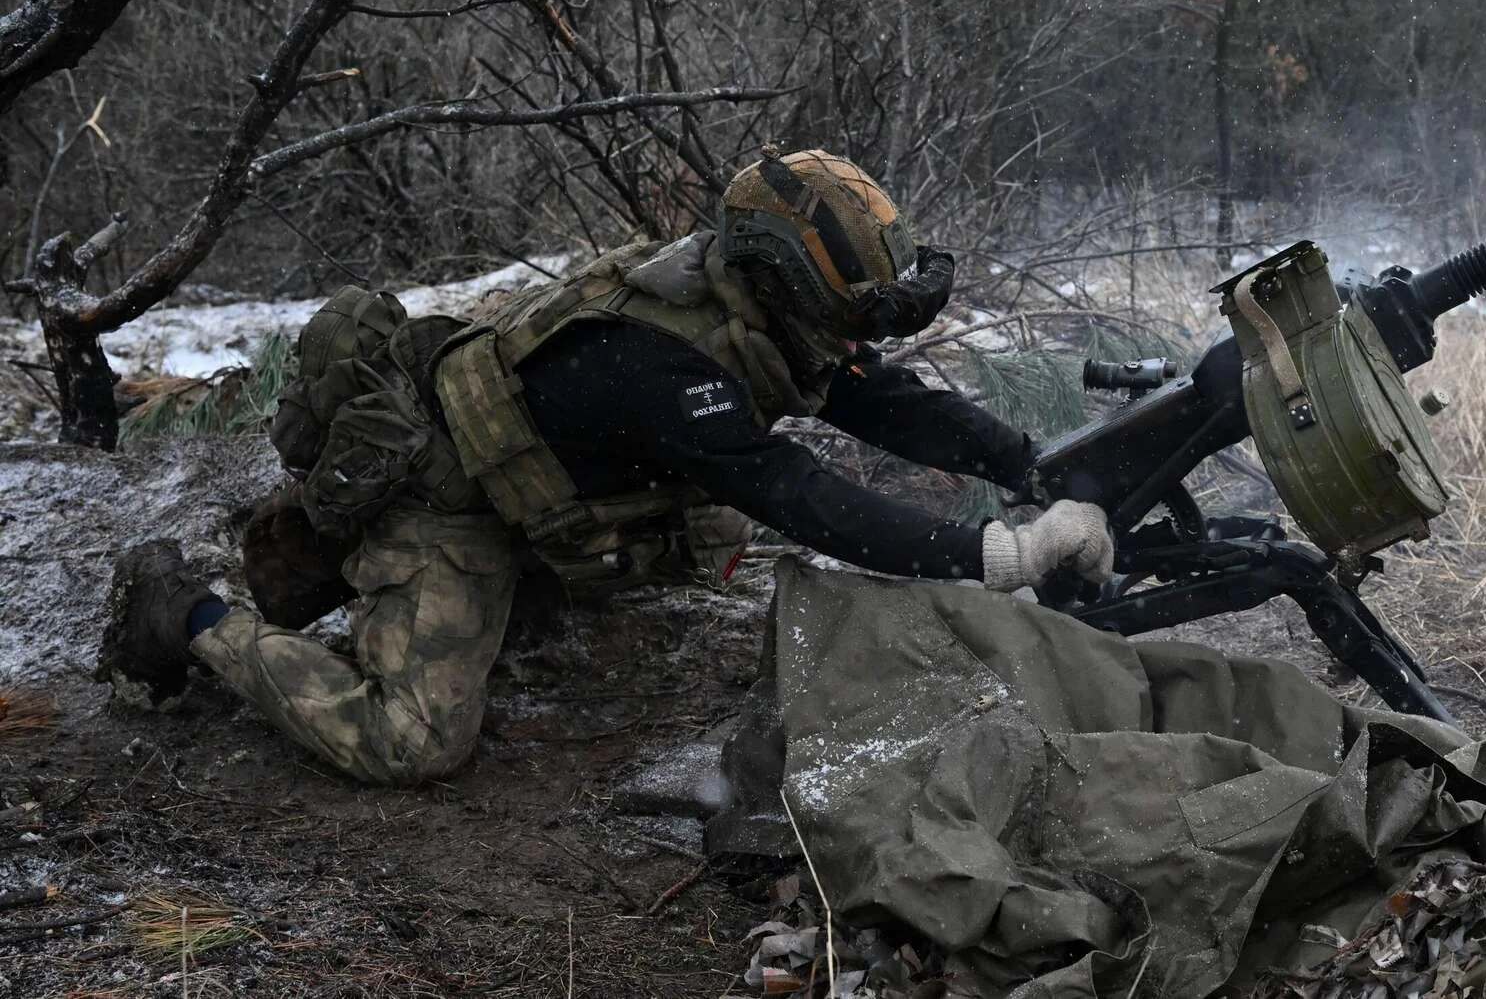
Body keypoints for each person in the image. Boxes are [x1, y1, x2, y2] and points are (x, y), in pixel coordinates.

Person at [96, 149, 1114, 785]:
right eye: (852, 311)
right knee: (409, 742)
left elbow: (883, 400)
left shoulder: (747, 316)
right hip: (445, 498)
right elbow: (798, 495)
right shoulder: (663, 370)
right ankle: (184, 615)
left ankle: (526, 595)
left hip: (542, 479)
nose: (856, 339)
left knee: (688, 536)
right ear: (783, 278)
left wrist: (1029, 462)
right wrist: (1003, 552)